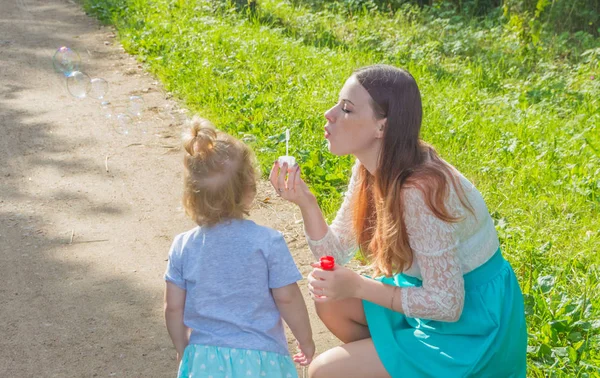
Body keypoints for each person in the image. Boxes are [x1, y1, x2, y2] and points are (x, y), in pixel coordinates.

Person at [270, 64, 527, 378]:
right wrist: (305, 202)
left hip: (472, 326)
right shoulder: (369, 167)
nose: (330, 114)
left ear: (382, 127)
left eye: (347, 109)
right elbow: (335, 253)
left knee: (324, 372)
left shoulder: (420, 191)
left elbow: (448, 305)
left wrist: (360, 286)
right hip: (428, 297)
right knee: (330, 301)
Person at [164, 117, 315, 378]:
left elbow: (173, 307)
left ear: (191, 195)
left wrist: (183, 348)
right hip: (261, 362)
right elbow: (287, 297)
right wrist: (306, 340)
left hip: (204, 361)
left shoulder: (183, 246)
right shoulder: (268, 242)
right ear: (249, 189)